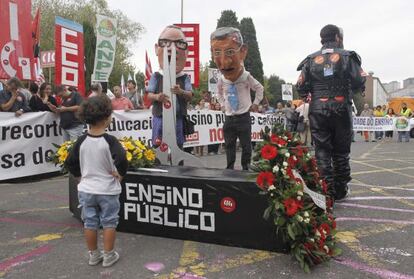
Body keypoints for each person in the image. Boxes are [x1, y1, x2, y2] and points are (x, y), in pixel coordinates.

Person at [296, 24, 366, 202]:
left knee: (322, 150)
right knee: (341, 152)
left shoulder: (310, 60)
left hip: (318, 108)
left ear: (322, 38)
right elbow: (359, 80)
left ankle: (325, 191)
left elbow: (300, 86)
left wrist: (311, 95)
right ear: (337, 37)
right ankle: (340, 190)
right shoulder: (348, 56)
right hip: (342, 106)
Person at [65, 96, 128, 268]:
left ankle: (93, 255)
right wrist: (120, 174)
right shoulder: (110, 141)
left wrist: (79, 177)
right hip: (107, 189)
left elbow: (69, 162)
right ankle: (109, 255)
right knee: (109, 222)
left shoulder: (81, 141)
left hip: (86, 189)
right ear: (107, 117)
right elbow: (122, 159)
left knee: (90, 222)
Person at [211, 27, 264, 171]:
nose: (225, 61)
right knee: (229, 144)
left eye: (230, 52)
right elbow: (218, 93)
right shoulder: (222, 79)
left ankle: (246, 167)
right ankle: (229, 168)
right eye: (217, 53)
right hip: (229, 117)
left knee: (246, 145)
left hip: (243, 116)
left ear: (242, 52)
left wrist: (256, 103)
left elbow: (259, 88)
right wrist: (222, 105)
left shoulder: (246, 76)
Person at [147, 25, 193, 149]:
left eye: (179, 44)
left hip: (177, 118)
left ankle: (179, 167)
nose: (172, 49)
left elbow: (190, 95)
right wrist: (157, 96)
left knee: (178, 145)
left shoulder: (185, 78)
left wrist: (181, 91)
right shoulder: (156, 76)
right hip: (160, 117)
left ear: (187, 52)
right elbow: (149, 95)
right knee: (157, 144)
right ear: (157, 49)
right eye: (165, 42)